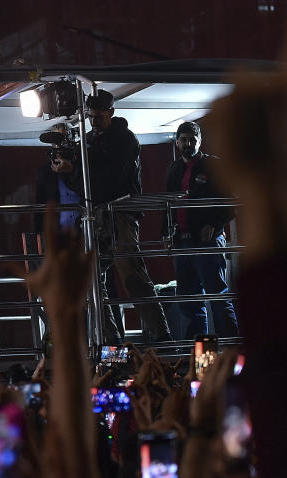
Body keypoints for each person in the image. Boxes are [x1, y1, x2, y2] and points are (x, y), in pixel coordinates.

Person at [86, 89, 172, 344]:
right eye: (91, 115)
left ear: (111, 112)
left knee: (132, 275)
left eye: (98, 115)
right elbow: (84, 183)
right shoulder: (91, 140)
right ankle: (111, 339)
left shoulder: (126, 140)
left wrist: (78, 170)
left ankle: (161, 335)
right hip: (99, 212)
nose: (94, 120)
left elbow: (110, 180)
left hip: (121, 211)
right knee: (90, 277)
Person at [164, 121, 239, 338]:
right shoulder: (173, 168)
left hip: (208, 241)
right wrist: (165, 231)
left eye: (192, 139)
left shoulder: (214, 166)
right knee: (190, 301)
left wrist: (214, 225)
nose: (188, 144)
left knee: (218, 297)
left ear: (200, 142)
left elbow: (231, 202)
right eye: (184, 140)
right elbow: (167, 203)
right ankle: (198, 354)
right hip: (182, 241)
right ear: (177, 142)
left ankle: (232, 352)